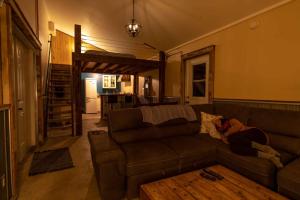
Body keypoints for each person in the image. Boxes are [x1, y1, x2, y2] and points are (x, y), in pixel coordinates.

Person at [212, 117, 283, 168]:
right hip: (249, 142)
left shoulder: (231, 121)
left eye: (218, 123)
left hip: (258, 135)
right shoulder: (222, 133)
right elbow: (228, 142)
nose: (219, 126)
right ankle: (270, 156)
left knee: (232, 137)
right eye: (217, 126)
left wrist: (227, 134)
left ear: (222, 120)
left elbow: (239, 126)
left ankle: (265, 148)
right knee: (234, 148)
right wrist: (223, 134)